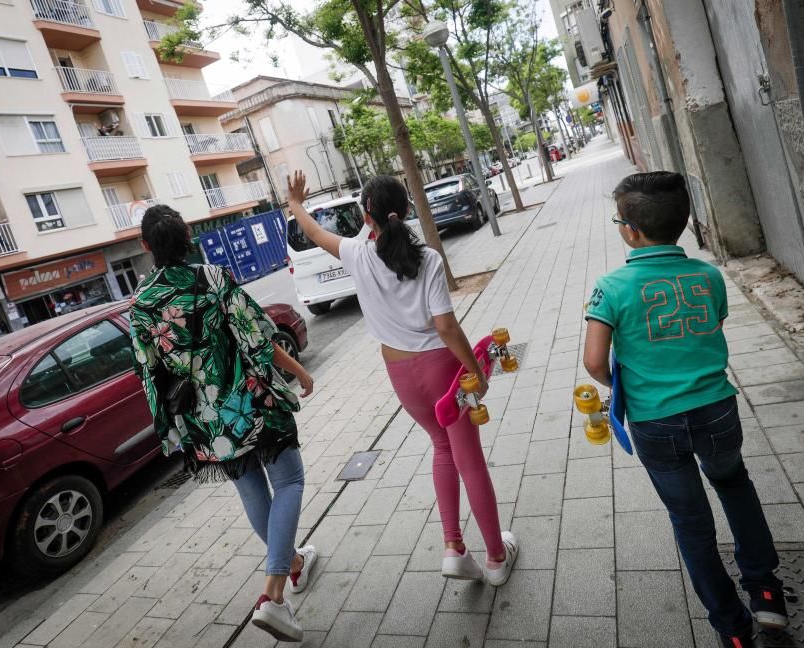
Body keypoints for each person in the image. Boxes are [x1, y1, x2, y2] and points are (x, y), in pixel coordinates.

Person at [582, 172, 787, 648]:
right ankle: (766, 592)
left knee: (690, 522)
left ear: (630, 230)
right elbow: (710, 326)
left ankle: (733, 630)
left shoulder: (611, 287)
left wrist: (629, 383)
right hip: (717, 409)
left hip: (655, 423)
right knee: (735, 485)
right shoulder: (708, 275)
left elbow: (594, 360)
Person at [285, 171, 519, 586]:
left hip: (401, 376)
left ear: (365, 216)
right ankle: (497, 558)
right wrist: (476, 370)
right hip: (442, 369)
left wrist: (297, 203)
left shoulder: (356, 254)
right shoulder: (426, 258)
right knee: (470, 460)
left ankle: (453, 547)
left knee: (441, 448)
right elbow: (446, 327)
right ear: (408, 209)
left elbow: (315, 231)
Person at [129, 205, 317, 643]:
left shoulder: (140, 305)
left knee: (252, 492)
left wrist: (173, 432)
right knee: (289, 482)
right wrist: (301, 373)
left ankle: (293, 565)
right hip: (249, 402)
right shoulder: (211, 278)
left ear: (145, 247)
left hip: (206, 421)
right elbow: (259, 338)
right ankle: (272, 594)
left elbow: (149, 376)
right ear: (188, 238)